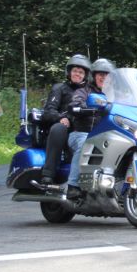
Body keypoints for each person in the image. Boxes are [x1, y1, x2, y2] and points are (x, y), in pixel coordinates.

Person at [32, 54, 91, 192]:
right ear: (69, 72)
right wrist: (60, 118)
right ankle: (48, 174)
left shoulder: (89, 91)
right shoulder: (60, 88)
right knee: (59, 128)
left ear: (86, 75)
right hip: (66, 125)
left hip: (84, 125)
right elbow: (48, 111)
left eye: (81, 72)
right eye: (75, 71)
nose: (78, 74)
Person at [66, 58, 114, 192]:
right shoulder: (84, 91)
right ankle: (73, 185)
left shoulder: (115, 95)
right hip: (82, 133)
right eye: (100, 74)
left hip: (106, 135)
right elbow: (75, 104)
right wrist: (83, 108)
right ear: (94, 76)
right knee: (84, 145)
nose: (103, 78)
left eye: (107, 75)